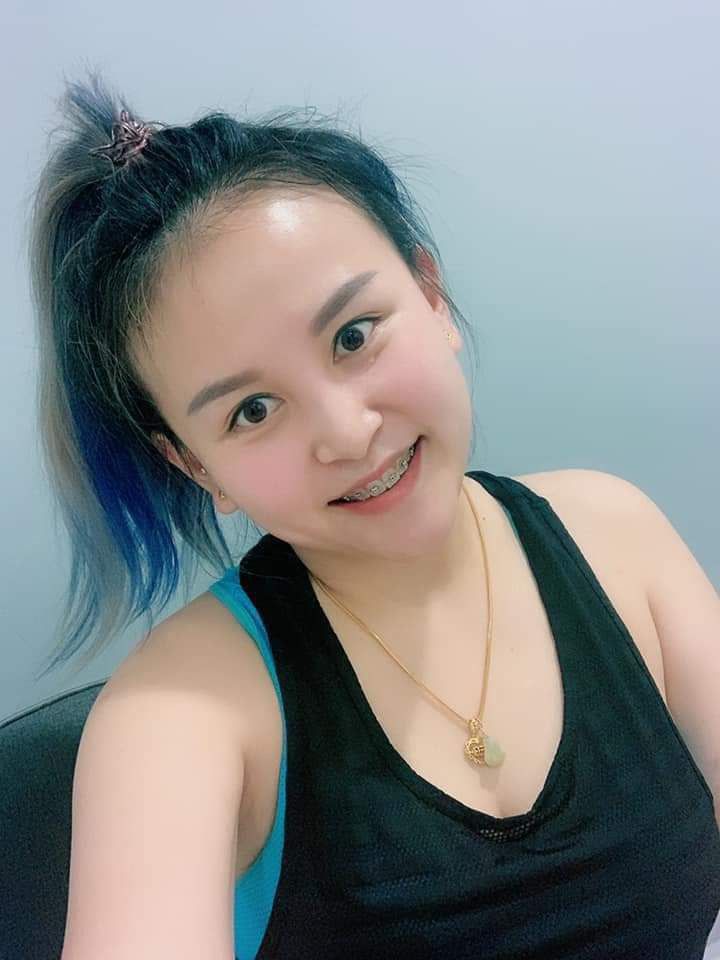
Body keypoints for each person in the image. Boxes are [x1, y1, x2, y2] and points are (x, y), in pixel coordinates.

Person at [27, 72, 720, 960]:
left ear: (431, 296)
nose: (347, 434)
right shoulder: (176, 713)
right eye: (252, 410)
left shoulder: (618, 534)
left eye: (353, 336)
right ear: (196, 464)